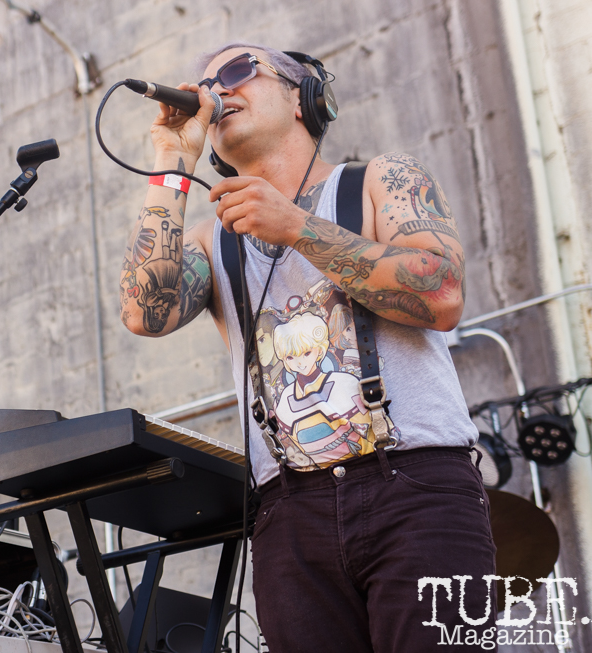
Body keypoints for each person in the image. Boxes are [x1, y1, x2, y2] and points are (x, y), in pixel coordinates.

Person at [119, 43, 495, 650]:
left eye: (239, 70)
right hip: (288, 510)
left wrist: (297, 228)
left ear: (302, 97)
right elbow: (144, 312)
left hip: (417, 487)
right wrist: (171, 160)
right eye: (207, 83)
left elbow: (442, 292)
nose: (218, 90)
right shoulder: (212, 239)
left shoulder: (382, 179)